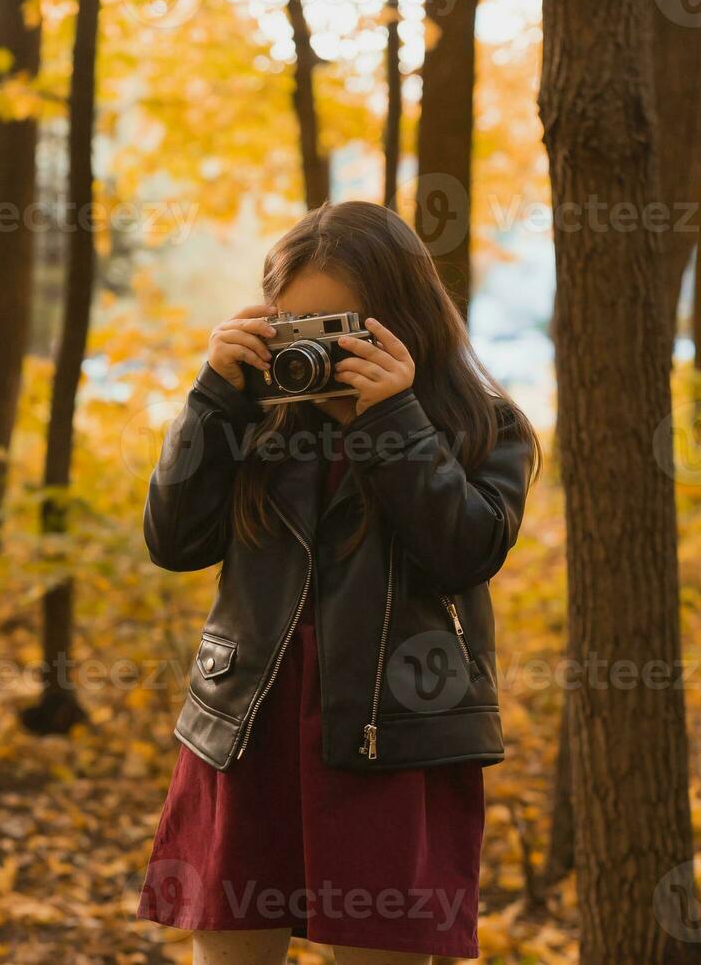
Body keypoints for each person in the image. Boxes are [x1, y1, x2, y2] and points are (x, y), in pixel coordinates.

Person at [137, 201, 539, 963]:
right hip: (250, 725)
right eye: (294, 324)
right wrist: (214, 394)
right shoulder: (255, 417)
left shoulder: (484, 428)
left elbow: (463, 553)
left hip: (394, 735)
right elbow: (173, 540)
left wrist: (391, 418)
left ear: (399, 317)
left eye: (338, 327)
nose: (313, 349)